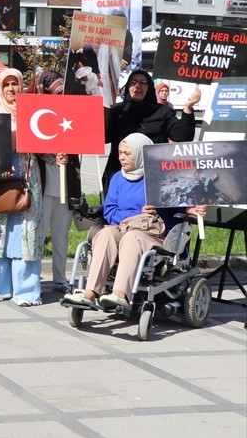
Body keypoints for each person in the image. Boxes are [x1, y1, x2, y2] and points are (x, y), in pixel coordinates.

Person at [64, 133, 205, 308]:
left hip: (154, 233)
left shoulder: (161, 178)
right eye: (120, 152)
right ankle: (90, 293)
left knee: (132, 238)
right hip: (123, 227)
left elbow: (177, 204)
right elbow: (110, 211)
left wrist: (190, 209)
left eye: (127, 153)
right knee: (106, 232)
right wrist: (137, 214)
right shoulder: (117, 178)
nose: (122, 157)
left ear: (140, 154)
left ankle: (119, 294)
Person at [0, 69, 57, 307]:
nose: (12, 89)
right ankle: (0, 287)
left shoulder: (32, 114)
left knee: (27, 234)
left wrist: (59, 155)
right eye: (7, 85)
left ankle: (26, 291)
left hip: (28, 179)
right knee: (0, 234)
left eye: (16, 84)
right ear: (0, 88)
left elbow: (46, 144)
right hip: (0, 181)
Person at [29, 69, 81, 291]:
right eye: (52, 93)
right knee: (36, 236)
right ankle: (32, 280)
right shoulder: (30, 111)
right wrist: (49, 152)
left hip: (64, 186)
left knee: (60, 236)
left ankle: (60, 278)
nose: (56, 100)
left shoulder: (70, 111)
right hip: (39, 186)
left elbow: (82, 136)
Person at [102, 69, 198, 189]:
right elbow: (103, 137)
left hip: (154, 178)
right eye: (133, 82)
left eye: (143, 82)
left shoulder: (163, 112)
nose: (137, 86)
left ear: (150, 88)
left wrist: (188, 107)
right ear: (127, 87)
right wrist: (108, 110)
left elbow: (183, 136)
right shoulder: (117, 112)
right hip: (121, 177)